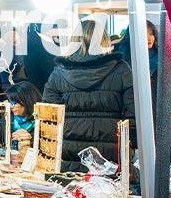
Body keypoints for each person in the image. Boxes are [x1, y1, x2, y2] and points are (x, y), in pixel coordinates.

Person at [41, 18, 136, 168]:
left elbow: (49, 116)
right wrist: (129, 142)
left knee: (68, 190)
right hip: (112, 153)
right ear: (104, 40)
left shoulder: (59, 73)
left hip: (67, 152)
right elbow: (134, 114)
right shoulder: (121, 70)